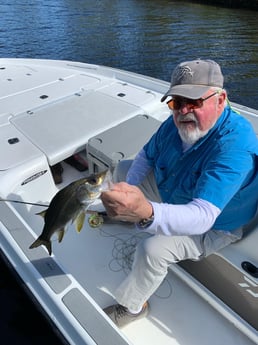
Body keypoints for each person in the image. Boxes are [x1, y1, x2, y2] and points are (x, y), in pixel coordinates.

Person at [100, 59, 258, 328]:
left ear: (220, 100)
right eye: (176, 102)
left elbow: (203, 217)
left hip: (215, 225)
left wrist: (146, 212)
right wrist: (132, 189)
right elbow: (146, 156)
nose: (184, 110)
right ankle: (127, 215)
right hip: (176, 194)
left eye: (195, 102)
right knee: (124, 169)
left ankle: (133, 307)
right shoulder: (174, 124)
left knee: (151, 249)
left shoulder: (236, 145)